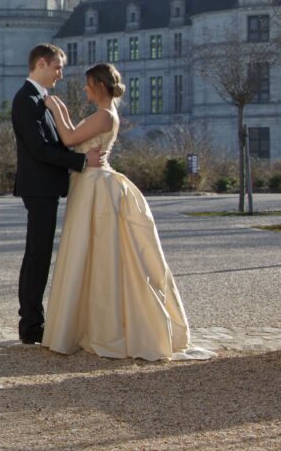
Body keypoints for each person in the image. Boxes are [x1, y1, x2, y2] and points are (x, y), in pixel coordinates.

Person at [41, 62, 192, 360]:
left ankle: (100, 327)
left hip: (96, 187)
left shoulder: (105, 116)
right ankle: (82, 323)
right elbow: (75, 136)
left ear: (99, 85)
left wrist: (53, 106)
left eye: (87, 84)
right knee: (87, 253)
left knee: (95, 253)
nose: (84, 89)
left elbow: (70, 138)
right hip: (89, 183)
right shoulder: (102, 115)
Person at [11, 44, 105, 345]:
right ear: (41, 63)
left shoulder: (41, 99)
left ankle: (33, 321)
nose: (60, 75)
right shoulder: (26, 100)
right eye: (57, 68)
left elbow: (57, 141)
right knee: (37, 255)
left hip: (45, 187)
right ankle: (30, 325)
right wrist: (80, 161)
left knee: (38, 254)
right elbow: (39, 150)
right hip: (37, 188)